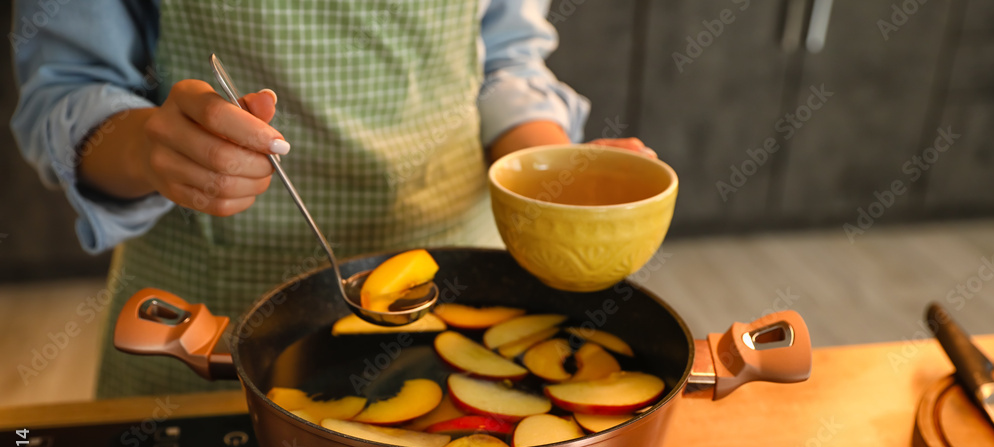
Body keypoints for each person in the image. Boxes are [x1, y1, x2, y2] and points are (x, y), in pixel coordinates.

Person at [11, 0, 652, 399]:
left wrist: (552, 175)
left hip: (467, 292)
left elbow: (506, 58)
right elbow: (65, 89)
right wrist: (152, 145)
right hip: (215, 321)